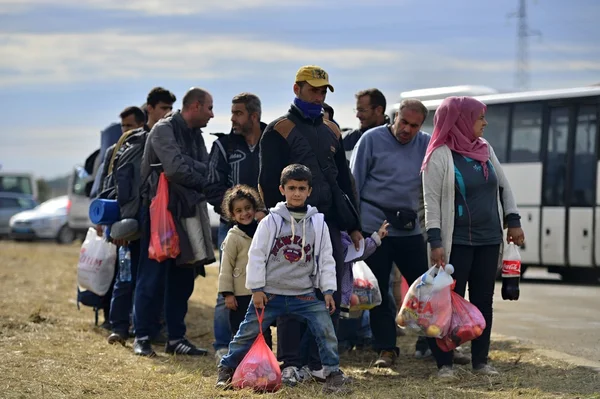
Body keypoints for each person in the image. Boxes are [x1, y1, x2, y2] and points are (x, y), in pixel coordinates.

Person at [258, 65, 361, 385]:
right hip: (291, 226)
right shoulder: (278, 129)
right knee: (291, 293)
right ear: (296, 88)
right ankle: (290, 363)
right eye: (313, 89)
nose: (318, 95)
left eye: (323, 91)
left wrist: (354, 224)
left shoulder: (332, 130)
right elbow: (266, 180)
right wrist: (271, 222)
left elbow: (344, 179)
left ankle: (320, 363)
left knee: (325, 292)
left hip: (327, 223)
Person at [216, 164, 351, 395]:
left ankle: (333, 373)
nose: (296, 193)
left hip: (304, 293)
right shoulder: (270, 221)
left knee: (325, 330)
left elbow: (326, 259)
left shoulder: (318, 223)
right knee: (246, 332)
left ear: (310, 190)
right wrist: (256, 288)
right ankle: (226, 369)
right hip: (271, 293)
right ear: (282, 189)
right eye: (291, 188)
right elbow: (256, 254)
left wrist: (328, 290)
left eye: (301, 188)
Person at [421, 96, 525, 378]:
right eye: (480, 117)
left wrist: (513, 221)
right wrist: (436, 241)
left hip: (489, 240)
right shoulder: (439, 155)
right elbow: (431, 203)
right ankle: (445, 363)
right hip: (458, 243)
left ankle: (481, 361)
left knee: (483, 302)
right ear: (461, 119)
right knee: (447, 305)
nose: (485, 123)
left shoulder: (485, 149)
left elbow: (504, 186)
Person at [350, 98, 435, 368]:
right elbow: (355, 183)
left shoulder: (426, 143)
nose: (407, 129)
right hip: (375, 228)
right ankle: (386, 349)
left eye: (414, 125)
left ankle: (434, 345)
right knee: (380, 293)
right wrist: (354, 228)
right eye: (404, 122)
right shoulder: (371, 139)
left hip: (410, 229)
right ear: (394, 117)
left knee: (426, 291)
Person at [133, 87, 214, 357]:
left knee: (183, 277)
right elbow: (176, 169)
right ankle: (141, 336)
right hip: (160, 214)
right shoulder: (163, 130)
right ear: (194, 107)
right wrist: (202, 176)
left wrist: (192, 167)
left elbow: (204, 165)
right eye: (209, 108)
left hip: (187, 211)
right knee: (152, 276)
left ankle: (175, 338)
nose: (212, 115)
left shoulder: (196, 134)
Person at [205, 93, 268, 362]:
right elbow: (211, 186)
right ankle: (223, 345)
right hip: (230, 228)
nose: (232, 119)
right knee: (227, 285)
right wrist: (236, 212)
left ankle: (262, 344)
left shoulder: (273, 140)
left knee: (266, 286)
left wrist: (267, 212)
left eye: (238, 113)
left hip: (268, 227)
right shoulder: (223, 145)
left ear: (254, 116)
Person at [217, 184, 272, 347]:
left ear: (255, 208)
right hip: (240, 294)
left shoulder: (262, 232)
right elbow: (225, 267)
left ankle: (264, 363)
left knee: (263, 329)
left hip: (260, 292)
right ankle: (240, 363)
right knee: (242, 330)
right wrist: (228, 294)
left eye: (248, 208)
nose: (244, 213)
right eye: (239, 211)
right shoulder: (233, 237)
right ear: (233, 215)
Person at [342, 88, 388, 160]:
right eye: (357, 110)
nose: (357, 115)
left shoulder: (396, 140)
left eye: (362, 110)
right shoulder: (348, 140)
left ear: (378, 110)